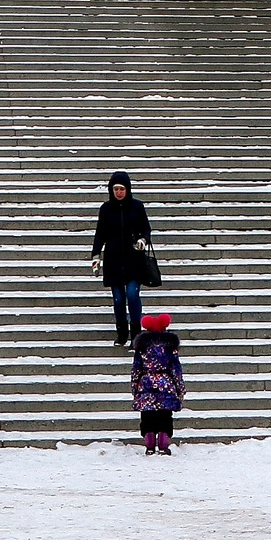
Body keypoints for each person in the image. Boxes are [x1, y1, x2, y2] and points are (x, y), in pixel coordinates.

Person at [90, 171, 153, 344]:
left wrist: (142, 240)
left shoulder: (137, 207)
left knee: (132, 295)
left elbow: (147, 229)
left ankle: (136, 333)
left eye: (122, 189)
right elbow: (100, 234)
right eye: (116, 189)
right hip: (114, 261)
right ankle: (122, 332)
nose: (119, 192)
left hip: (134, 260)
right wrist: (96, 255)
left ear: (128, 189)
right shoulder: (106, 209)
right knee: (118, 299)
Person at [132, 313, 183, 454]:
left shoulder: (141, 347)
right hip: (165, 383)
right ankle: (163, 441)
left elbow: (136, 368)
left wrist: (135, 387)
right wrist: (179, 387)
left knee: (147, 414)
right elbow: (176, 369)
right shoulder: (170, 347)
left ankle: (149, 442)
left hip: (146, 382)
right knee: (165, 414)